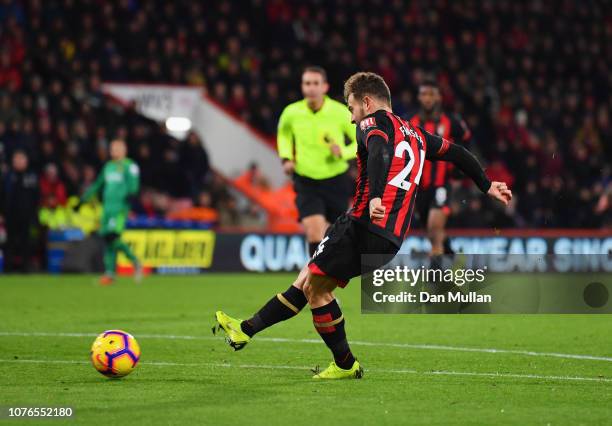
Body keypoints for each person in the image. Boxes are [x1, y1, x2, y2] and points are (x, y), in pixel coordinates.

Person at [213, 72, 512, 379]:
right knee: (308, 281)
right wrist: (486, 185)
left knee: (314, 290)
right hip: (391, 240)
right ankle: (245, 330)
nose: (351, 117)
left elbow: (380, 151)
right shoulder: (417, 133)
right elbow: (459, 154)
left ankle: (343, 363)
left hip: (361, 224)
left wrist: (377, 196)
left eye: (351, 107)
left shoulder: (372, 123)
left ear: (366, 102)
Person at [277, 66, 357, 256]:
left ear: (325, 87)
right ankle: (316, 284)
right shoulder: (291, 112)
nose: (311, 88)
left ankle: (320, 281)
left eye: (315, 83)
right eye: (307, 83)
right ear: (302, 87)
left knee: (331, 237)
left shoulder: (340, 112)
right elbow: (284, 135)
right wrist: (286, 158)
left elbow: (360, 141)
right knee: (314, 233)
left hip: (336, 180)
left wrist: (343, 153)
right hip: (306, 180)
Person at [409, 79, 471, 259]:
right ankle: (450, 252)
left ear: (438, 97)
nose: (427, 98)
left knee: (434, 228)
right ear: (419, 97)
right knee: (430, 230)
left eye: (431, 94)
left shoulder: (451, 121)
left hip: (441, 184)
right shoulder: (410, 122)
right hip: (418, 187)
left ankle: (434, 275)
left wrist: (460, 166)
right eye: (423, 94)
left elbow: (466, 140)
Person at [80, 139, 142, 285]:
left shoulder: (130, 166)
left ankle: (134, 261)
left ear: (124, 150)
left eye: (117, 148)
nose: (113, 151)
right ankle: (110, 274)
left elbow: (134, 186)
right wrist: (83, 200)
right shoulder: (108, 167)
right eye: (112, 148)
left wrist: (131, 197)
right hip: (107, 209)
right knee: (107, 240)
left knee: (112, 237)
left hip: (120, 209)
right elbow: (97, 185)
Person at [1, 150, 39, 271]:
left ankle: (25, 268)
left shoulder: (31, 177)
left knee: (26, 243)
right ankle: (8, 268)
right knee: (9, 243)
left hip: (26, 215)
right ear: (13, 161)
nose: (19, 162)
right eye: (16, 159)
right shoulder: (7, 177)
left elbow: (36, 197)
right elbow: (2, 196)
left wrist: (34, 214)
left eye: (21, 159)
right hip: (10, 215)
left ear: (26, 161)